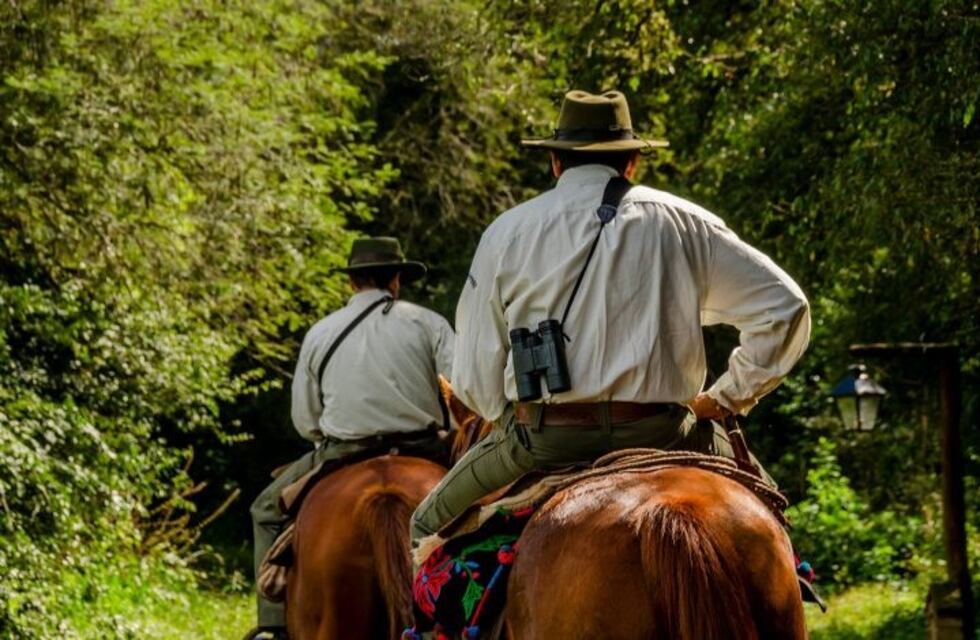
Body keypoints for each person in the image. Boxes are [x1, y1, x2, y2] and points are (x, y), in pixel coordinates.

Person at [410, 90, 810, 544]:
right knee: (771, 521)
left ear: (555, 163)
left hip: (546, 439)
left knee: (423, 527)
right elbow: (785, 308)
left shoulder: (506, 232)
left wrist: (510, 417)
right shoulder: (684, 221)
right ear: (632, 163)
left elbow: (473, 375)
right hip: (664, 433)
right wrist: (726, 398)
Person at [246, 237, 454, 640]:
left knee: (266, 509)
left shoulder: (321, 332)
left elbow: (306, 420)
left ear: (351, 282)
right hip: (426, 446)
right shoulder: (429, 323)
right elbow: (461, 393)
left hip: (344, 450)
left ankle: (271, 628)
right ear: (396, 279)